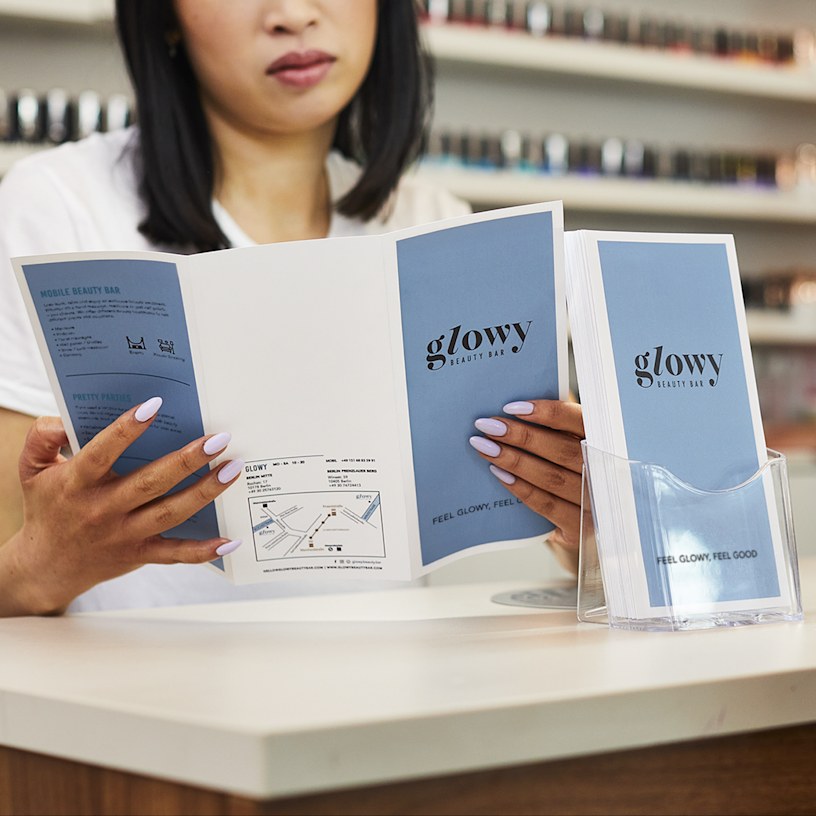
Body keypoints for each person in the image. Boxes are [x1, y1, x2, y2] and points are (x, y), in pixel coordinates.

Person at [0, 0, 584, 617]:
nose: (292, 15)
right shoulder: (59, 209)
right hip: (143, 704)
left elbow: (560, 541)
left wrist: (586, 529)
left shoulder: (433, 225)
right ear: (164, 16)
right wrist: (48, 559)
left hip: (399, 697)